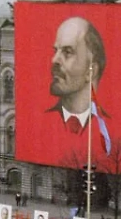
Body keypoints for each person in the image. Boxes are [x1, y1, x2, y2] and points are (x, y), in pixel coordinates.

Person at [42, 15, 111, 160]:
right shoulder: (41, 120)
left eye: (67, 52)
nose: (54, 60)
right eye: (56, 51)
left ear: (91, 70)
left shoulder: (109, 126)